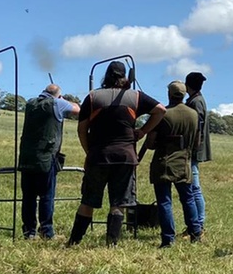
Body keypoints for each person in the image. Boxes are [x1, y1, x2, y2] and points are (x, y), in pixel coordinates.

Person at [66, 61, 166, 247]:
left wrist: (89, 152)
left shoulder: (93, 97)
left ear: (107, 76)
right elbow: (161, 110)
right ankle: (111, 244)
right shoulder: (135, 97)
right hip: (125, 156)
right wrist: (143, 131)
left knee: (88, 201)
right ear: (125, 76)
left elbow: (82, 130)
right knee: (118, 203)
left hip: (99, 155)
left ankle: (74, 242)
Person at [17, 84, 80, 240]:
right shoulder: (57, 103)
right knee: (46, 196)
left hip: (27, 157)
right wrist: (63, 100)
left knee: (28, 197)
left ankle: (29, 232)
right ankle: (46, 232)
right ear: (58, 95)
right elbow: (77, 109)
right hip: (46, 157)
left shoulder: (31, 103)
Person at [147, 81, 202, 248]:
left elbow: (150, 143)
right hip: (184, 163)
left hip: (163, 163)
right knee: (188, 199)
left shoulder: (163, 113)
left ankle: (168, 239)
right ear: (184, 94)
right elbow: (197, 143)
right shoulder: (194, 114)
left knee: (164, 202)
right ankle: (196, 232)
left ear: (169, 94)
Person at [184, 71, 210, 235]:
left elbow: (198, 126)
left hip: (193, 150)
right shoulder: (196, 100)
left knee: (194, 188)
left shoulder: (196, 102)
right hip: (194, 149)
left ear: (188, 85)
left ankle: (198, 225)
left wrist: (194, 147)